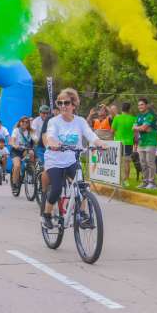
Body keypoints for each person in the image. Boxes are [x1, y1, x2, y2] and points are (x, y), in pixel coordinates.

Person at [41, 88, 106, 229]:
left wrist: (99, 143)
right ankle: (46, 215)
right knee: (57, 189)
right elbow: (50, 135)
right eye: (60, 103)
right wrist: (52, 143)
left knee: (81, 187)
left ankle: (82, 214)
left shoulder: (80, 121)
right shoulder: (54, 121)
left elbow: (90, 135)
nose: (63, 106)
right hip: (55, 160)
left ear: (74, 105)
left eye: (67, 102)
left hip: (71, 159)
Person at [133, 98, 157, 189]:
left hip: (151, 141)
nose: (140, 106)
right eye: (139, 105)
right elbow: (135, 128)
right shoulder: (138, 116)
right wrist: (141, 128)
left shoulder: (150, 115)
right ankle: (145, 181)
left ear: (146, 105)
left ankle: (152, 183)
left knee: (150, 163)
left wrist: (140, 128)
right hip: (141, 142)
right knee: (143, 163)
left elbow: (143, 128)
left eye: (142, 104)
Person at [111, 102, 136, 184]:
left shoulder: (117, 118)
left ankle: (117, 178)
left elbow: (112, 131)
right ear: (129, 109)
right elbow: (135, 131)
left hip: (118, 143)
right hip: (129, 143)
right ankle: (126, 180)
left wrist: (117, 135)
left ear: (121, 108)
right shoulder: (133, 119)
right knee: (127, 162)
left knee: (117, 161)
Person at [10, 116, 35, 193]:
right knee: (17, 166)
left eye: (26, 122)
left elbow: (36, 139)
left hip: (25, 150)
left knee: (31, 153)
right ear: (20, 122)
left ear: (28, 123)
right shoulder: (16, 130)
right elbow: (12, 141)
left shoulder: (31, 131)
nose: (24, 123)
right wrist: (14, 145)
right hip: (16, 150)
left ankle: (30, 171)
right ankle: (14, 184)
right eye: (23, 122)